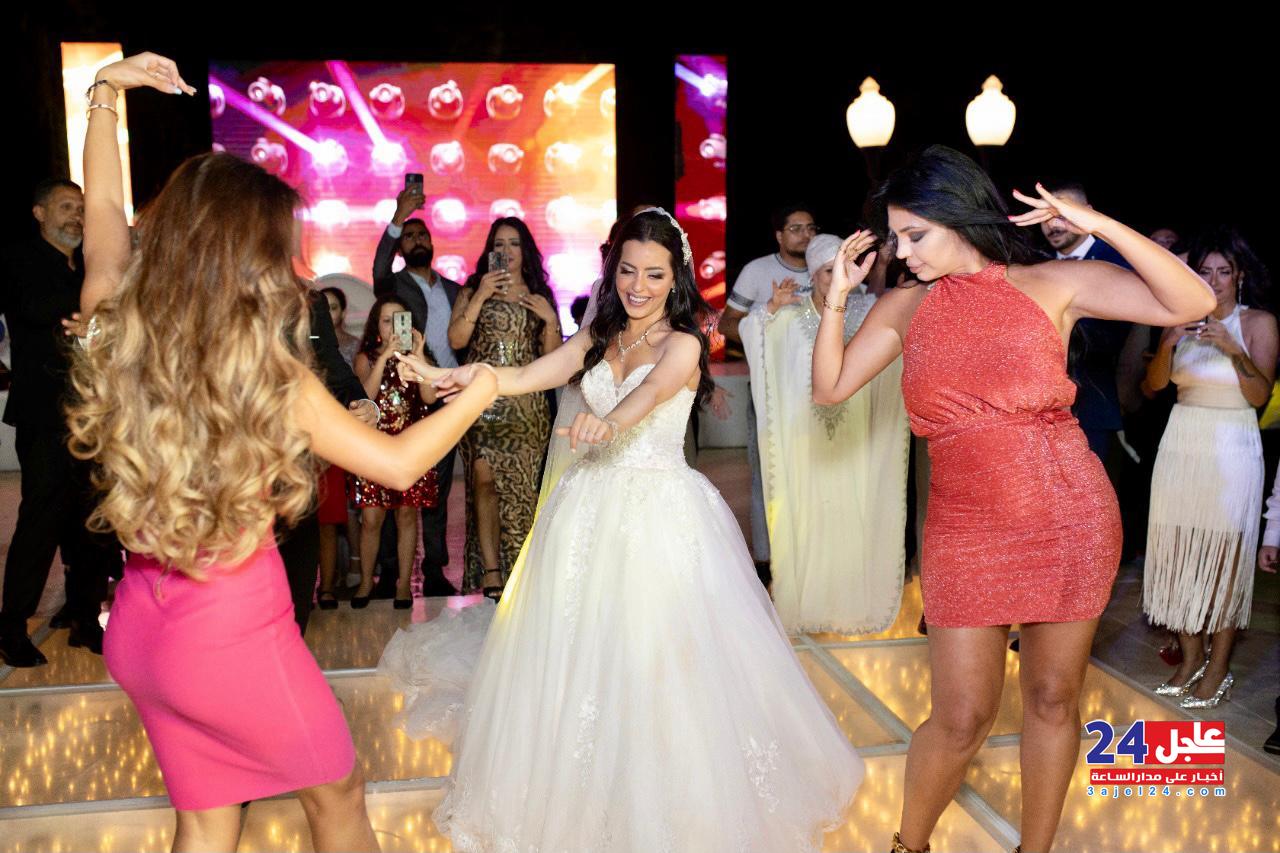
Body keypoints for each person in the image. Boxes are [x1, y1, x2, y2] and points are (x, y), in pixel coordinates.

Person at [68, 52, 496, 853]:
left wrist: (104, 95)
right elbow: (397, 465)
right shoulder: (261, 369)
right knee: (338, 795)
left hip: (141, 630)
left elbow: (99, 218)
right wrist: (484, 388)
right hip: (231, 635)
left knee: (207, 818)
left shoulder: (117, 323)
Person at [384, 208, 862, 850]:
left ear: (676, 277)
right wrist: (462, 375)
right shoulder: (599, 332)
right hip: (585, 512)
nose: (639, 286)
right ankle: (581, 791)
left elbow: (655, 391)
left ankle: (668, 800)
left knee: (657, 658)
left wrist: (609, 423)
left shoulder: (682, 341)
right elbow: (527, 376)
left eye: (654, 274)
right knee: (579, 653)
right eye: (628, 271)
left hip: (659, 516)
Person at [810, 146, 1214, 853]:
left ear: (960, 217)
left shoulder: (1052, 283)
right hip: (964, 529)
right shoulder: (907, 305)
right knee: (960, 717)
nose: (904, 253)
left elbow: (1194, 302)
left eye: (916, 235)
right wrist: (839, 297)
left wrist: (1096, 222)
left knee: (1053, 700)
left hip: (1068, 517)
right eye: (896, 238)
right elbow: (830, 387)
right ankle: (909, 845)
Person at [740, 233, 908, 632]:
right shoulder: (788, 317)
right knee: (807, 513)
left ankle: (851, 602)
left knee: (853, 510)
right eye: (829, 271)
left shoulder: (869, 314)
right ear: (813, 275)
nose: (837, 278)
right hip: (805, 438)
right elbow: (753, 333)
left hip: (856, 436)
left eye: (844, 270)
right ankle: (809, 602)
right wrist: (770, 309)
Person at [1142, 226, 1276, 707]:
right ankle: (1191, 657)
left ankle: (1218, 668)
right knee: (1177, 552)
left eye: (1224, 271)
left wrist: (1233, 349)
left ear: (1239, 276)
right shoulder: (1180, 320)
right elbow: (1152, 387)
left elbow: (1259, 396)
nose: (1214, 281)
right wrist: (1166, 345)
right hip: (1181, 441)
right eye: (1205, 271)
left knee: (1222, 561)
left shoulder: (1258, 322)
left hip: (1232, 445)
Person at [0, 177, 121, 666]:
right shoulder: (19, 260)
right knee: (40, 522)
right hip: (45, 416)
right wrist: (90, 306)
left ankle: (85, 619)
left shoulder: (88, 267)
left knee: (94, 522)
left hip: (93, 414)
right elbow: (33, 309)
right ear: (39, 213)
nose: (77, 216)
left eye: (81, 208)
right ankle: (11, 628)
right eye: (67, 206)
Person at [447, 217, 559, 598]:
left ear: (525, 251)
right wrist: (481, 295)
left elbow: (552, 361)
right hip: (483, 402)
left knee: (523, 493)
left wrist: (550, 320)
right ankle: (492, 570)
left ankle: (523, 573)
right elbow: (457, 339)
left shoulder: (539, 293)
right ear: (489, 250)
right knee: (483, 479)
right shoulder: (472, 289)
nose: (506, 251)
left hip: (528, 407)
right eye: (499, 244)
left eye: (513, 243)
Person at [716, 203, 817, 576]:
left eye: (811, 228)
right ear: (779, 235)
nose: (805, 235)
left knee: (813, 472)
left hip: (819, 389)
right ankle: (765, 560)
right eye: (796, 228)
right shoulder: (758, 272)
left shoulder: (825, 269)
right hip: (770, 389)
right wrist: (765, 338)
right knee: (767, 471)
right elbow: (727, 324)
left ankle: (809, 554)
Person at [373, 194, 462, 597]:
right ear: (400, 248)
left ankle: (435, 570)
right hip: (407, 398)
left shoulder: (455, 289)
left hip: (447, 396)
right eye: (408, 237)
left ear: (432, 241)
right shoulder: (394, 285)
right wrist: (399, 216)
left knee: (437, 493)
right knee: (398, 488)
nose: (416, 240)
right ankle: (391, 572)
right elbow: (378, 268)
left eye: (421, 234)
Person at [349, 296, 441, 609]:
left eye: (398, 319)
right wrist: (385, 357)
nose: (392, 326)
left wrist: (418, 356)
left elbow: (429, 398)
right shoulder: (365, 358)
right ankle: (366, 582)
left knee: (407, 515)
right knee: (371, 518)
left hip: (410, 446)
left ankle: (404, 584)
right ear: (376, 325)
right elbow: (365, 396)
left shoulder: (418, 358)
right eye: (386, 320)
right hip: (373, 448)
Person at [1040, 180, 1136, 461]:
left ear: (1087, 212)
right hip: (1036, 412)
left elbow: (1112, 337)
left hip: (1092, 406)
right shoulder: (1034, 264)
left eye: (1061, 214)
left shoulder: (1116, 260)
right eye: (1044, 216)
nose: (1052, 225)